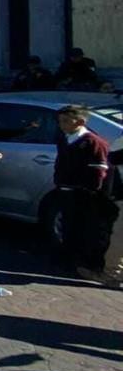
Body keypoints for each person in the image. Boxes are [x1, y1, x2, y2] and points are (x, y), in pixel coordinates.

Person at [53, 104, 117, 281]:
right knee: (68, 228)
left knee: (84, 229)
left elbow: (99, 170)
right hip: (66, 190)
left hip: (84, 194)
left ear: (80, 122)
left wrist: (90, 190)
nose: (62, 124)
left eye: (66, 121)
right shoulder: (65, 139)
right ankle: (66, 261)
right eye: (60, 121)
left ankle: (84, 264)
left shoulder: (93, 142)